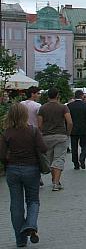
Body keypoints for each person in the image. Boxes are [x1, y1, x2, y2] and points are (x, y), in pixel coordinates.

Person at [1, 103, 47, 247]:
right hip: (31, 169)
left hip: (13, 170)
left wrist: (9, 159)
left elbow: (1, 155)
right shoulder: (32, 131)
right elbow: (43, 148)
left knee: (16, 204)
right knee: (33, 200)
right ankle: (31, 225)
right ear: (25, 115)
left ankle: (20, 240)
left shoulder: (6, 133)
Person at [37, 88, 72, 191]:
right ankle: (56, 183)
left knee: (50, 159)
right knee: (59, 159)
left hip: (46, 136)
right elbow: (69, 122)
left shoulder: (42, 108)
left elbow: (39, 124)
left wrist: (44, 131)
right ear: (57, 95)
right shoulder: (63, 107)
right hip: (60, 136)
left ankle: (54, 179)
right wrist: (68, 133)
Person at [66, 90, 86, 170]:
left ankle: (75, 163)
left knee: (74, 147)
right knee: (84, 145)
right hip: (84, 129)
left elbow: (67, 118)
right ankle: (82, 157)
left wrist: (67, 129)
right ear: (82, 96)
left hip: (73, 129)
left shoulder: (69, 105)